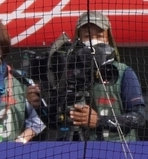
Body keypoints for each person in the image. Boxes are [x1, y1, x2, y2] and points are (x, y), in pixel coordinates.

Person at [53, 11, 146, 141]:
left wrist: (99, 121)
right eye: (88, 36)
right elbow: (53, 121)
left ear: (108, 39)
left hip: (116, 149)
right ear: (78, 39)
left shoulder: (123, 72)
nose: (94, 41)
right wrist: (39, 105)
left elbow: (140, 117)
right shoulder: (66, 72)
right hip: (73, 148)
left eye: (99, 35)